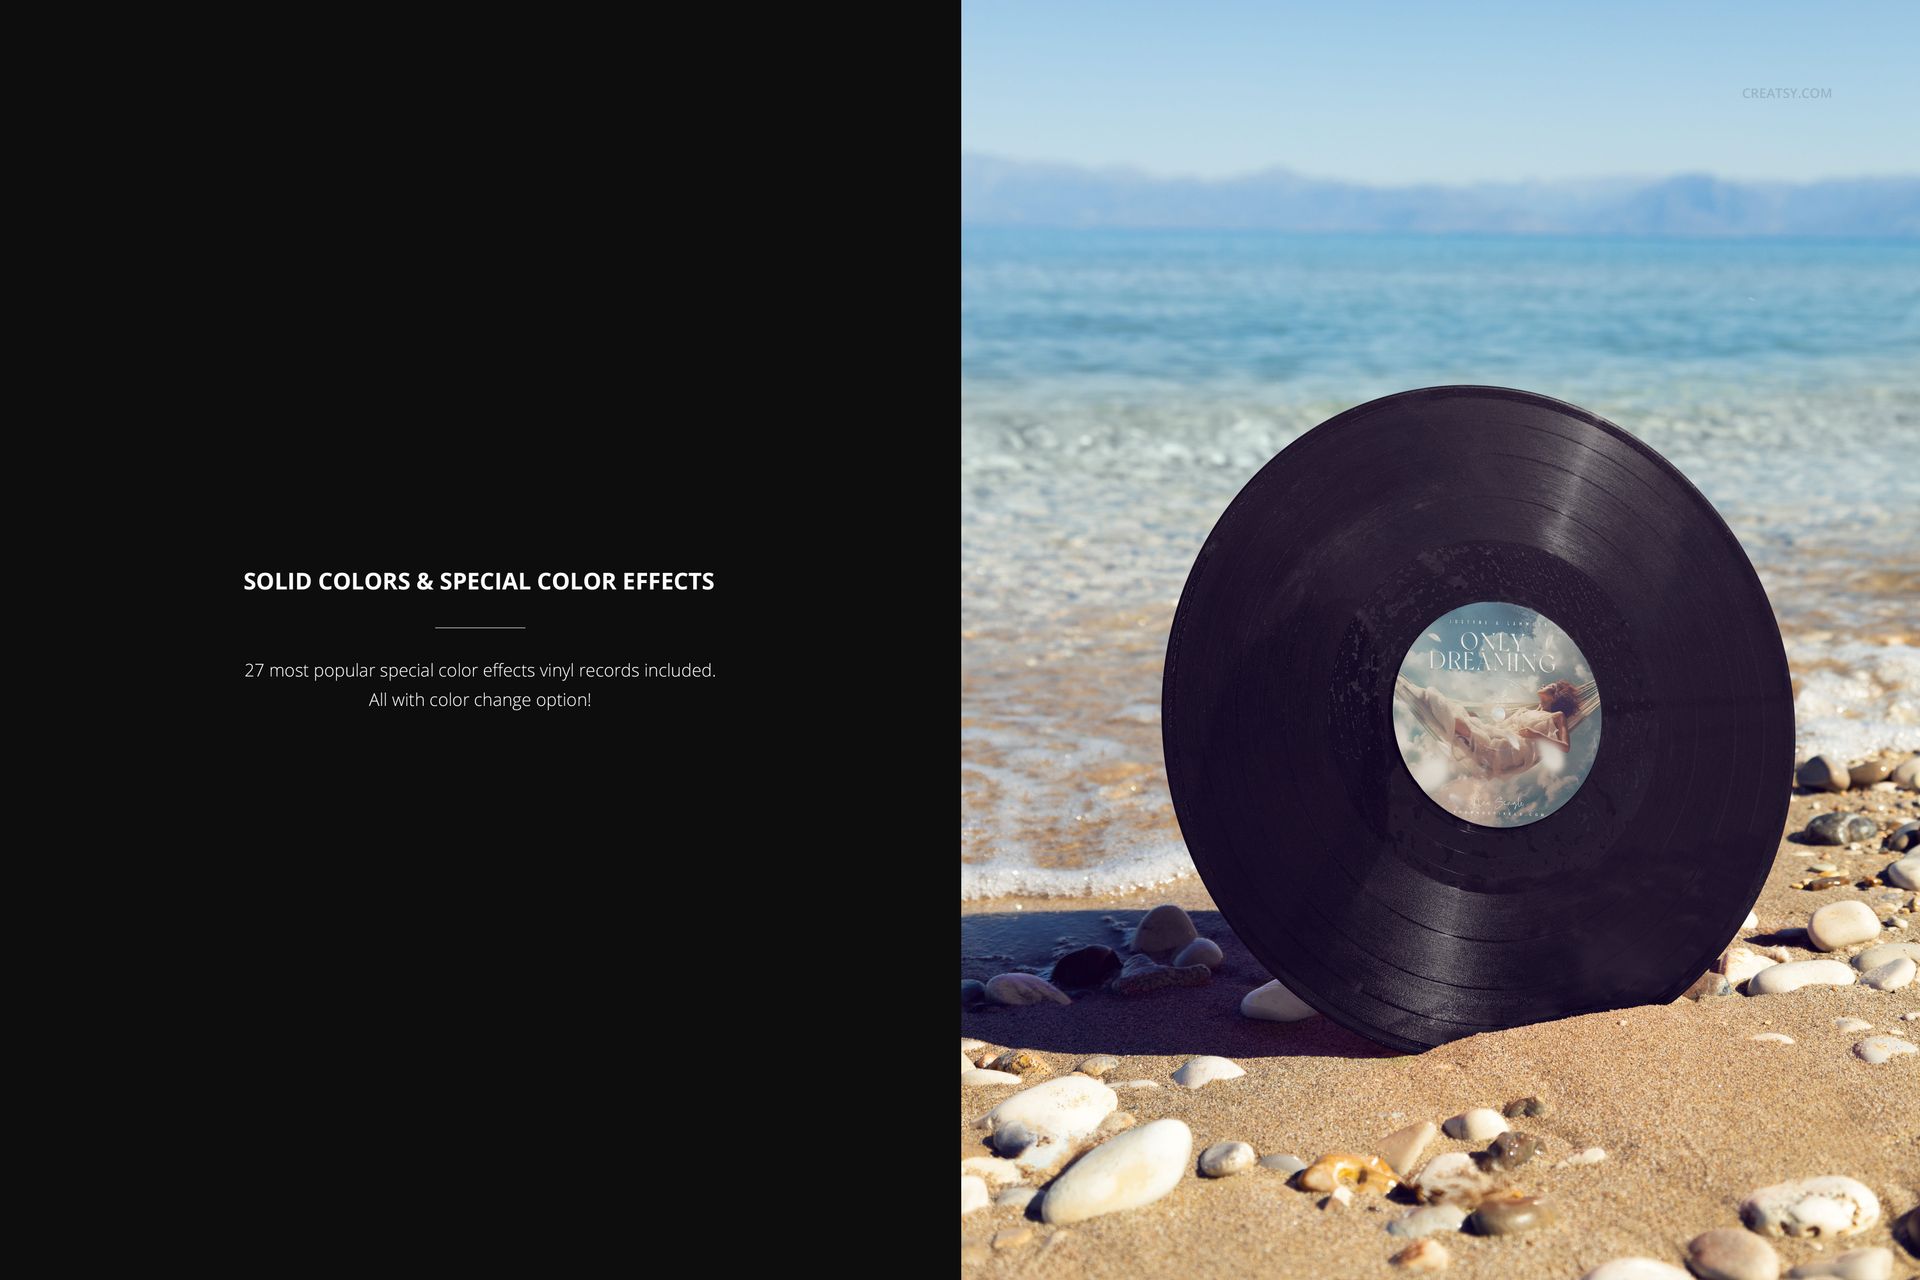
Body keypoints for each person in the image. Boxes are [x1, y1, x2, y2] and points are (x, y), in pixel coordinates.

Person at [1395, 677, 1585, 777]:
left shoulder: (1557, 716)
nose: (1544, 684)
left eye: (1549, 685)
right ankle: (1405, 689)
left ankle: (1405, 689)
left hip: (1511, 751)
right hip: (1500, 739)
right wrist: (1479, 720)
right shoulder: (1529, 710)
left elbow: (1565, 747)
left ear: (1555, 694)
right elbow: (1504, 726)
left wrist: (1537, 735)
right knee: (1458, 718)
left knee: (1455, 720)